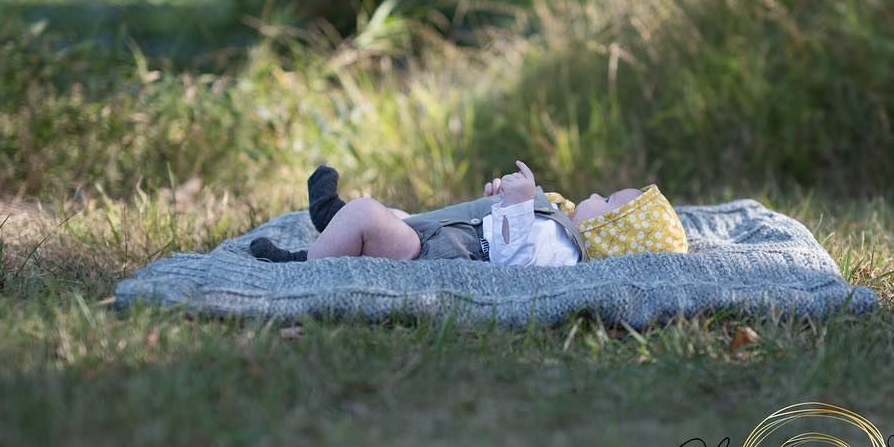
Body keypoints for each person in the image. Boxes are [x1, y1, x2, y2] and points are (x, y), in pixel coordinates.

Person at [250, 160, 688, 266]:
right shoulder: (560, 227)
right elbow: (504, 235)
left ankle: (305, 263)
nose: (594, 194)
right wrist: (501, 204)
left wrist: (519, 206)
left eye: (607, 200)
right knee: (395, 214)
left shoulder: (567, 250)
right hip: (440, 234)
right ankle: (337, 224)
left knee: (368, 213)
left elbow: (513, 260)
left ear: (609, 229)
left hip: (434, 254)